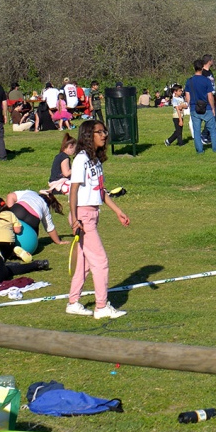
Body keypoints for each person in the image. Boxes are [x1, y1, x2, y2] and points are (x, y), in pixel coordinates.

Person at [68, 120, 131, 319]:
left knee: (85, 263)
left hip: (92, 214)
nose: (104, 135)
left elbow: (100, 191)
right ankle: (102, 307)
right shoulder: (81, 159)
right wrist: (76, 219)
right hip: (83, 216)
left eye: (104, 131)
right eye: (99, 132)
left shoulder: (94, 160)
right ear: (88, 135)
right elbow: (73, 190)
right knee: (101, 261)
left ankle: (73, 302)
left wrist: (117, 211)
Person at [0, 197, 31, 261]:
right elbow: (18, 230)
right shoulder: (10, 214)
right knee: (8, 253)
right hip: (7, 241)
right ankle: (14, 252)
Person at [188, 57, 216, 154]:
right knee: (213, 130)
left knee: (197, 131)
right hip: (206, 107)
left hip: (194, 107)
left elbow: (187, 96)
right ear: (202, 68)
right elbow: (210, 96)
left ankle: (199, 150)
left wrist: (191, 107)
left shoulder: (189, 81)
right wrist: (213, 107)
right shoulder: (206, 81)